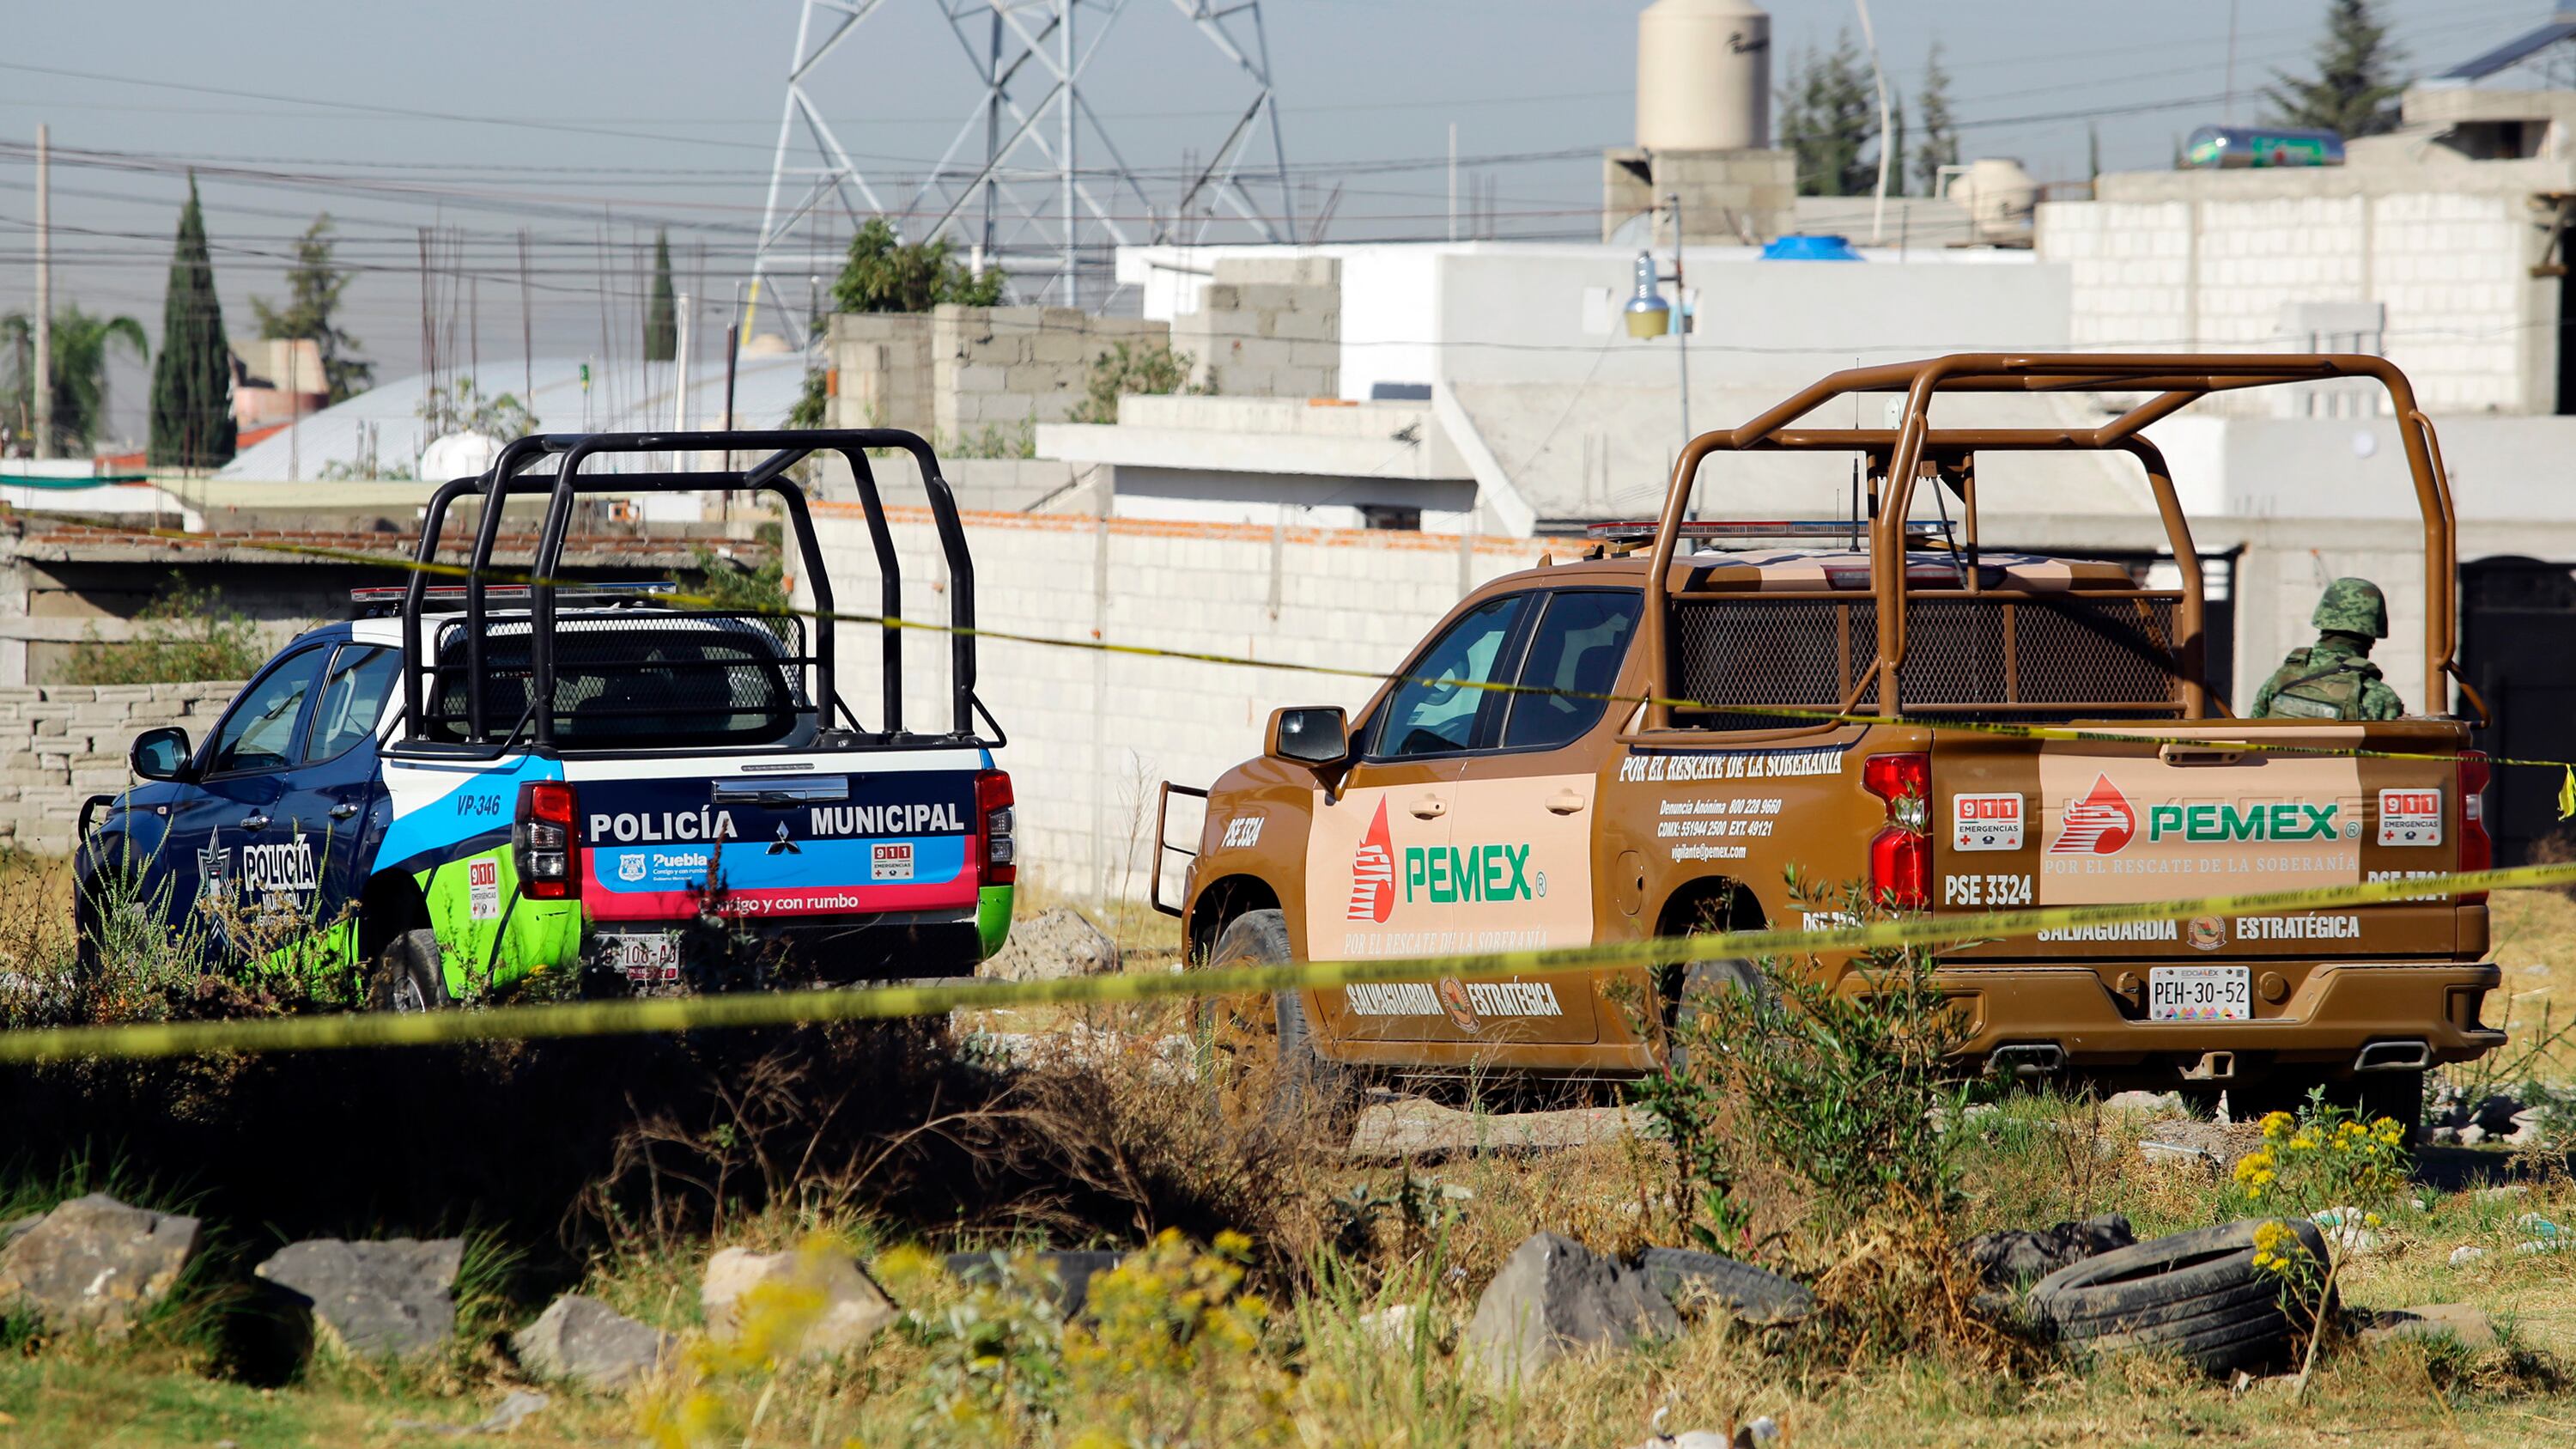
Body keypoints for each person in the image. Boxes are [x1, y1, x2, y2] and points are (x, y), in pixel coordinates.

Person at [2251, 577, 2406, 720]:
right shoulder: (2378, 696)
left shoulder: (2279, 680)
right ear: (2372, 635)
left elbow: (2251, 736)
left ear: (2323, 619)